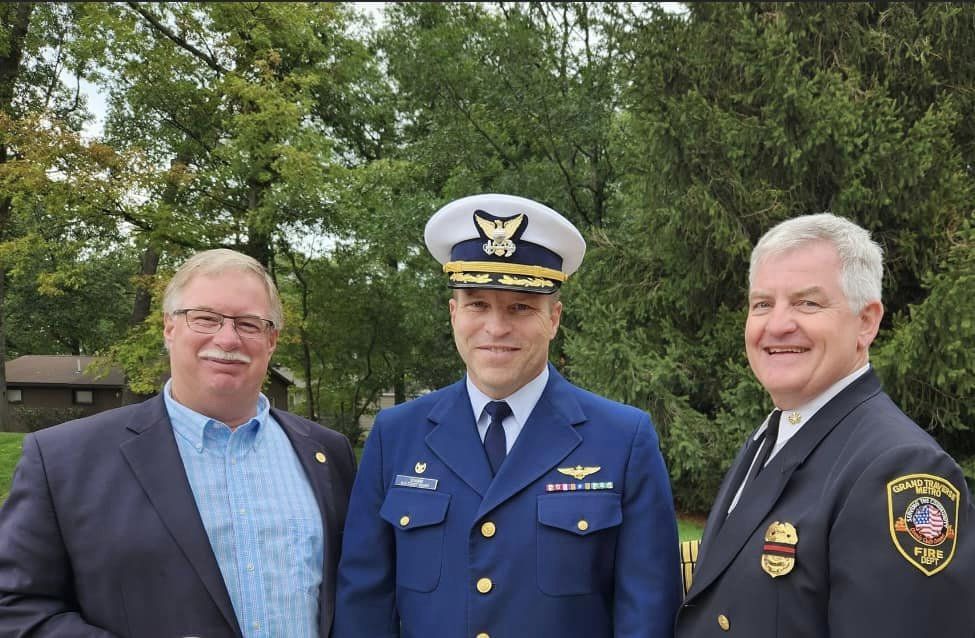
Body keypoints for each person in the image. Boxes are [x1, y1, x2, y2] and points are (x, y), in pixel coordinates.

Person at [333, 193, 682, 638]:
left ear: (553, 319)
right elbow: (364, 602)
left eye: (520, 307)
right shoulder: (396, 435)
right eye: (478, 304)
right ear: (453, 313)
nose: (496, 328)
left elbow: (647, 612)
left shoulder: (623, 438)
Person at [0, 249, 356, 638]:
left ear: (272, 340)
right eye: (205, 318)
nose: (227, 338)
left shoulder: (328, 454)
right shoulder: (63, 461)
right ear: (169, 327)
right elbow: (15, 607)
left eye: (249, 324)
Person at [675, 214, 975, 636]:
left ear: (866, 321)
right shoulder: (777, 433)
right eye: (762, 303)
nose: (776, 325)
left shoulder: (901, 468)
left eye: (807, 303)